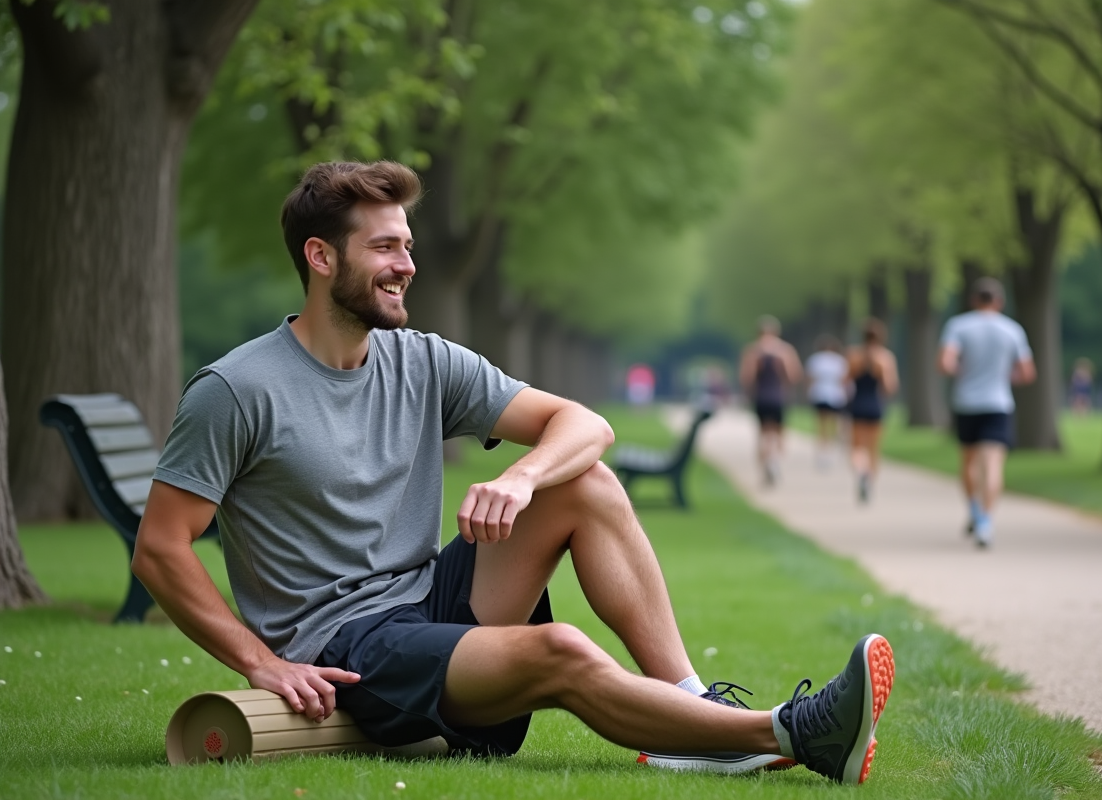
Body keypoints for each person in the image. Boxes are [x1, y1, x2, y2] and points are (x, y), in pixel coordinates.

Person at [131, 161, 894, 783]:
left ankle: (689, 707)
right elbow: (161, 548)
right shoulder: (237, 390)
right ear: (321, 257)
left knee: (582, 482)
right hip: (348, 649)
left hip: (428, 598)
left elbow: (586, 426)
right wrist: (261, 663)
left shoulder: (422, 360)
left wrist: (521, 477)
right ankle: (793, 733)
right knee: (560, 649)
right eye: (385, 248)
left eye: (408, 245)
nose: (407, 265)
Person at [938, 277, 1036, 547]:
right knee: (993, 465)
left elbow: (945, 363)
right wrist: (1005, 376)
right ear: (999, 302)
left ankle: (973, 508)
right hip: (998, 403)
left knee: (968, 462)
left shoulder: (958, 325)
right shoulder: (1012, 329)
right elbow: (1027, 372)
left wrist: (963, 372)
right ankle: (986, 521)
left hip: (966, 403)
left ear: (973, 300)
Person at [738, 316, 803, 485]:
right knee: (778, 433)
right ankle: (774, 459)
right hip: (779, 397)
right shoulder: (785, 350)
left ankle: (765, 466)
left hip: (761, 397)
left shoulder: (753, 351)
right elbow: (794, 376)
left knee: (762, 433)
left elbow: (746, 378)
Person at [844, 320, 899, 504]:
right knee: (873, 449)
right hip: (875, 405)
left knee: (857, 447)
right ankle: (869, 478)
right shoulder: (885, 358)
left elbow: (844, 382)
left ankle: (860, 473)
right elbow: (890, 387)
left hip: (857, 404)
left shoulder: (853, 355)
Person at [805, 335, 848, 471]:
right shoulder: (839, 360)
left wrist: (809, 393)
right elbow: (844, 379)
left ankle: (824, 451)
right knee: (833, 424)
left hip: (820, 394)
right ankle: (831, 448)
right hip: (835, 395)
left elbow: (810, 378)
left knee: (822, 425)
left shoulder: (815, 359)